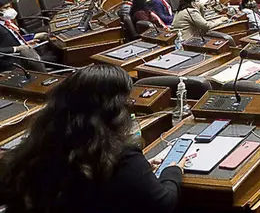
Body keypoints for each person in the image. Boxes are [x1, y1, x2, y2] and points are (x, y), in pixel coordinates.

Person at [0, 64, 188, 213]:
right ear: (113, 109)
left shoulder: (33, 148)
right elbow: (163, 203)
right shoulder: (121, 157)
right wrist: (172, 171)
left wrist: (140, 171)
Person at [0, 0, 48, 72]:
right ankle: (45, 75)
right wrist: (17, 48)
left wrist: (30, 39)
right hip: (13, 59)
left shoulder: (7, 22)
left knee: (48, 37)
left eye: (10, 6)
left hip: (24, 49)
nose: (10, 9)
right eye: (6, 8)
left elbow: (13, 38)